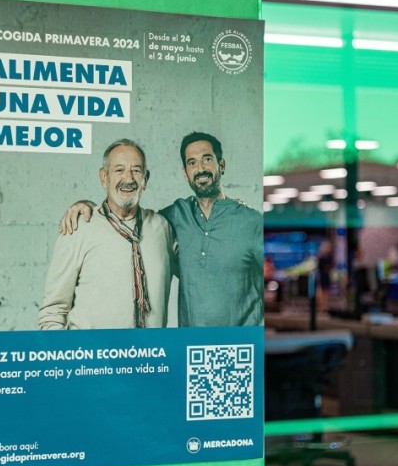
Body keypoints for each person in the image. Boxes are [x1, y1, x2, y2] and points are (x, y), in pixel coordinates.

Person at [60, 132, 264, 327]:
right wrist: (84, 205)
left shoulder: (252, 222)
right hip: (192, 351)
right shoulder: (172, 218)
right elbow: (128, 216)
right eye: (192, 163)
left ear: (222, 165)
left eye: (207, 159)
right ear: (185, 173)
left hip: (242, 347)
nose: (200, 168)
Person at [37, 139, 174, 330]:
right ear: (104, 177)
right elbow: (52, 313)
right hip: (92, 358)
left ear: (146, 179)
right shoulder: (78, 227)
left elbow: (200, 269)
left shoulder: (162, 227)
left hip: (150, 357)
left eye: (136, 170)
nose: (128, 178)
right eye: (119, 170)